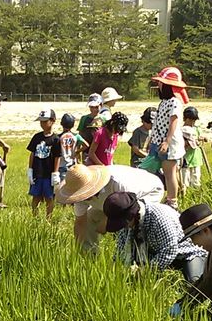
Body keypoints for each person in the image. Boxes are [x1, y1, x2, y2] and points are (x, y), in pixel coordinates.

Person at [56, 163, 165, 252]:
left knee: (134, 221)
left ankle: (135, 258)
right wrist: (78, 248)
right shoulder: (79, 192)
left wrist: (106, 223)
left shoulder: (117, 183)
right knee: (90, 217)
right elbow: (80, 222)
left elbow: (129, 206)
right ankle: (89, 254)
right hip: (111, 202)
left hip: (148, 192)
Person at [102, 191, 207, 284]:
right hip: (155, 256)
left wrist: (146, 271)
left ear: (132, 215)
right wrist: (114, 273)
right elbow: (120, 251)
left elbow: (170, 250)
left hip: (184, 253)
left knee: (194, 281)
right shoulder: (129, 224)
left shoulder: (159, 217)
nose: (123, 227)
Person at [148, 66, 190, 207]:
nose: (158, 85)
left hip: (168, 144)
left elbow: (173, 121)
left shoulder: (175, 102)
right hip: (157, 141)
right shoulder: (163, 102)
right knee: (153, 170)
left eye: (161, 83)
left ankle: (172, 201)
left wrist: (167, 141)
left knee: (169, 172)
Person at [26, 109, 62, 219]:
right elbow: (32, 153)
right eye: (41, 121)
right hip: (37, 172)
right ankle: (34, 217)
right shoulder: (37, 137)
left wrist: (55, 172)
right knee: (36, 196)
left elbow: (57, 156)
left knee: (49, 197)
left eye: (45, 121)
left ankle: (48, 218)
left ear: (52, 121)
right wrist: (30, 170)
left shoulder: (56, 139)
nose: (42, 124)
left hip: (48, 173)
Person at [180, 106, 203, 192]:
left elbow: (199, 143)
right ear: (185, 119)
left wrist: (200, 140)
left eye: (194, 120)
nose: (192, 122)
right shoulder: (181, 130)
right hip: (185, 159)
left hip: (196, 159)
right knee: (184, 182)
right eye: (190, 120)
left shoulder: (196, 129)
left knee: (196, 181)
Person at [77, 93, 103, 160]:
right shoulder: (84, 118)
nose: (94, 109)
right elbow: (80, 134)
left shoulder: (104, 119)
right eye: (91, 107)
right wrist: (78, 150)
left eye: (96, 107)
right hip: (86, 151)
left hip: (100, 150)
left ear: (101, 105)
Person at [58, 114, 82, 179]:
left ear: (61, 123)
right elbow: (86, 145)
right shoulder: (76, 136)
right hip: (72, 164)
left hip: (61, 165)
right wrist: (76, 152)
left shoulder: (58, 137)